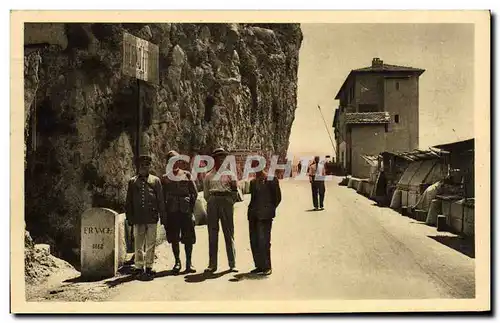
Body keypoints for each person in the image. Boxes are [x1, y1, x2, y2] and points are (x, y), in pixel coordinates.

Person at [125, 154, 166, 280]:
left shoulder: (155, 180)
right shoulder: (133, 181)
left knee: (151, 243)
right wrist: (129, 217)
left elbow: (160, 199)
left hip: (152, 217)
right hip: (138, 218)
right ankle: (138, 266)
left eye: (147, 165)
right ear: (139, 167)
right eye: (142, 165)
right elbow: (129, 201)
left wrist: (163, 216)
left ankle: (149, 266)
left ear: (150, 166)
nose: (144, 168)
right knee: (138, 244)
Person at [161, 150, 198, 274]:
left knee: (188, 238)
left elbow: (194, 193)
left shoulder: (187, 175)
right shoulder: (165, 178)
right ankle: (177, 262)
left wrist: (191, 209)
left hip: (185, 211)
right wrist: (164, 213)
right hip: (172, 211)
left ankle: (189, 263)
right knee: (174, 238)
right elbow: (162, 197)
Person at [203, 147, 239, 273]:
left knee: (229, 233)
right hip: (213, 201)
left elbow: (235, 192)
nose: (221, 159)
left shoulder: (230, 174)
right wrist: (212, 202)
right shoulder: (208, 175)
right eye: (218, 157)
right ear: (214, 159)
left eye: (223, 157)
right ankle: (212, 265)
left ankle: (232, 264)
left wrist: (229, 202)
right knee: (212, 234)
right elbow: (206, 194)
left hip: (226, 201)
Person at [247, 163, 281, 275]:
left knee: (264, 241)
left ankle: (267, 266)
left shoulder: (271, 179)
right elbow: (253, 198)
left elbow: (277, 198)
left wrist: (269, 209)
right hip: (253, 215)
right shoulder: (253, 182)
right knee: (254, 240)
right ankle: (259, 266)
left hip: (265, 215)